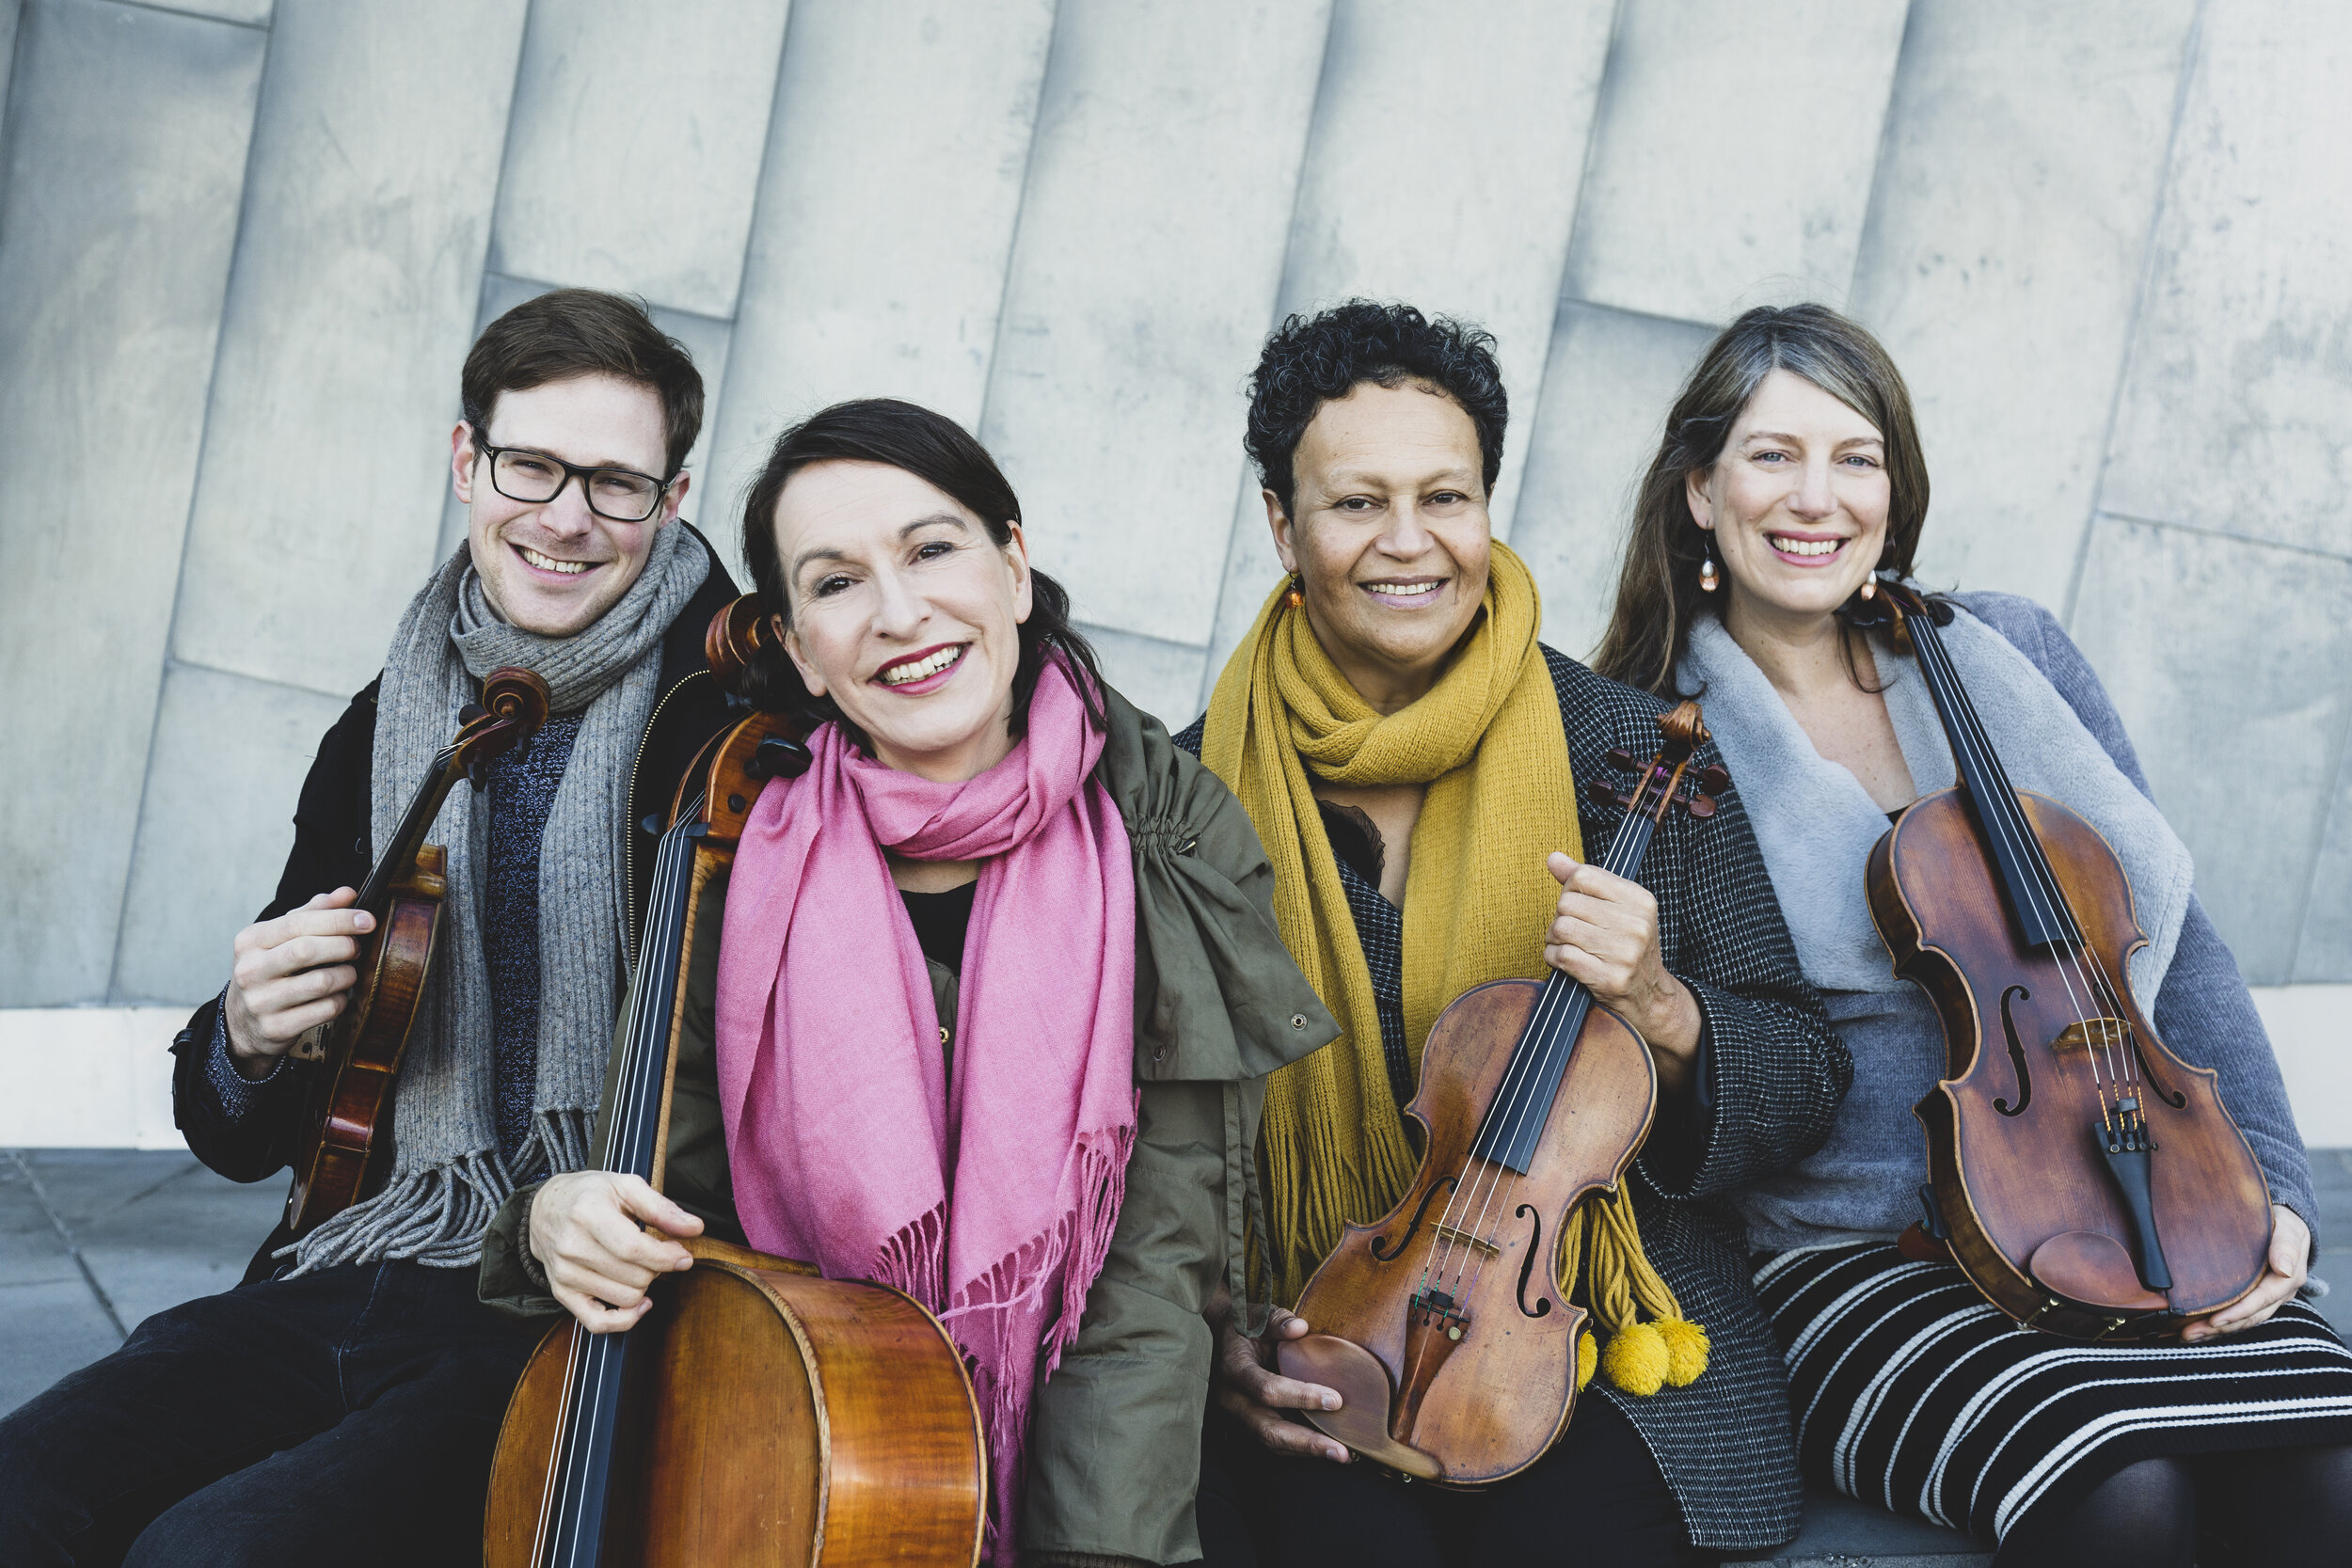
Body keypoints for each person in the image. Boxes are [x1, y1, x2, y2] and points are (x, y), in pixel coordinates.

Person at [477, 397, 1336, 1567]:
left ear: (1013, 568)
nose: (897, 612)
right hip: (791, 1459)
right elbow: (662, 1213)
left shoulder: (1164, 834)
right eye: (835, 582)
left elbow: (1145, 1284)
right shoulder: (734, 848)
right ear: (797, 648)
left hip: (1101, 1472)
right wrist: (550, 1224)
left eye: (931, 549)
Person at [1591, 302, 2352, 1567]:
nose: (1817, 497)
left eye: (1856, 456)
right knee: (2126, 1495)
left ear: (1894, 488)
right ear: (1701, 490)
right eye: (1773, 455)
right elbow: (1690, 1093)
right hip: (1855, 1257)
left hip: (2136, 1200)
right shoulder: (1647, 740)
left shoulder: (2007, 649)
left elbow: (2174, 948)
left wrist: (2272, 1188)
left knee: (2330, 1469)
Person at [0, 289, 742, 1567]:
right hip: (357, 1249)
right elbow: (238, 1134)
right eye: (530, 465)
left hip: (570, 1308)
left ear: (672, 499)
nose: (566, 517)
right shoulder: (389, 715)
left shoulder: (733, 723)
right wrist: (246, 1034)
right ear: (467, 462)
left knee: (215, 1550)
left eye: (617, 484)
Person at [1184, 301, 1851, 1568]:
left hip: (1604, 1330)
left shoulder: (1633, 750)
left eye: (1445, 496)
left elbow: (1805, 1075)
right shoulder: (1187, 795)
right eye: (1356, 502)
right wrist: (1215, 1326)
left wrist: (1661, 1003)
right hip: (1315, 1327)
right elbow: (1124, 1130)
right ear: (1281, 522)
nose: (1408, 541)